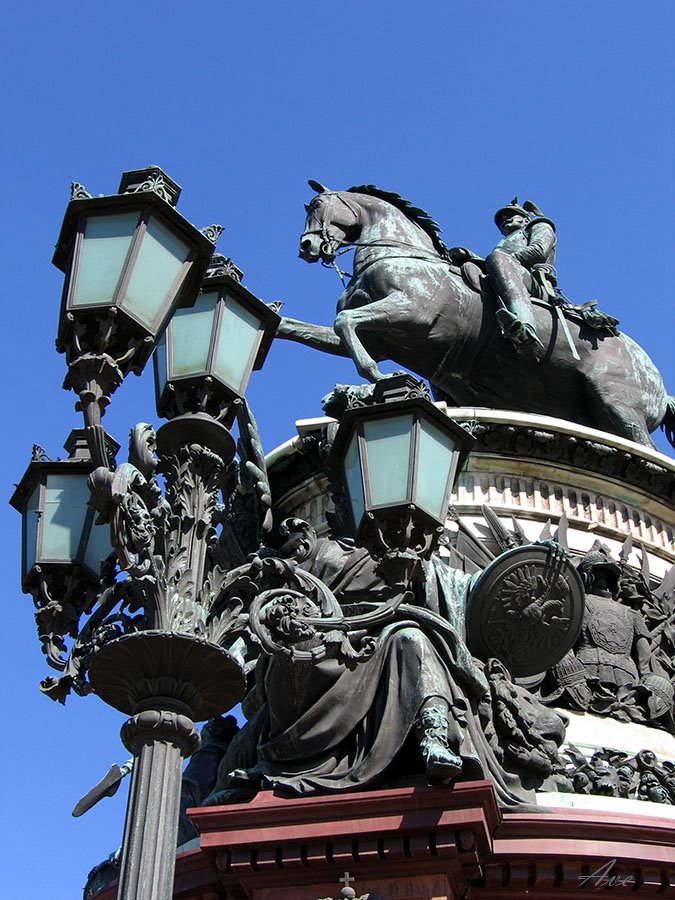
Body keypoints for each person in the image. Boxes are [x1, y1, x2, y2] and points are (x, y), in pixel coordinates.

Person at [485, 198, 556, 354]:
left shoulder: (539, 226)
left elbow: (539, 251)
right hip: (507, 273)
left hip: (535, 283)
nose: (505, 219)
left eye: (512, 215)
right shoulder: (505, 242)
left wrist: (505, 261)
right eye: (501, 220)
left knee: (497, 258)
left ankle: (525, 326)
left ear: (525, 219)